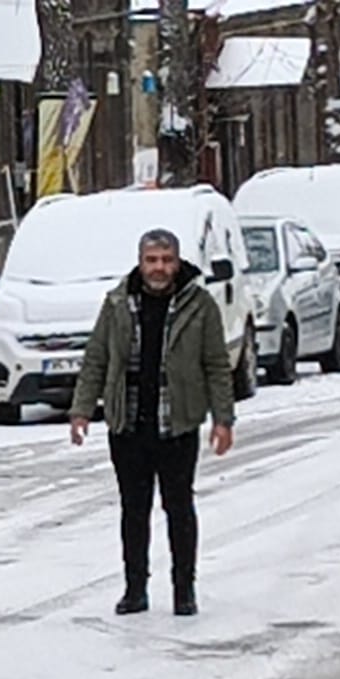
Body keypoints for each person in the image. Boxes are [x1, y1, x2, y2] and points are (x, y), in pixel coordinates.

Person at [69, 228, 235, 617]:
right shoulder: (117, 304)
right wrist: (81, 410)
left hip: (176, 424)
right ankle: (135, 589)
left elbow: (216, 366)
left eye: (166, 260)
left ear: (177, 263)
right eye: (151, 261)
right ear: (140, 263)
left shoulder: (199, 305)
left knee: (179, 507)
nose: (158, 268)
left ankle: (184, 590)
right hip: (128, 425)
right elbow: (96, 360)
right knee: (133, 509)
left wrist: (222, 419)